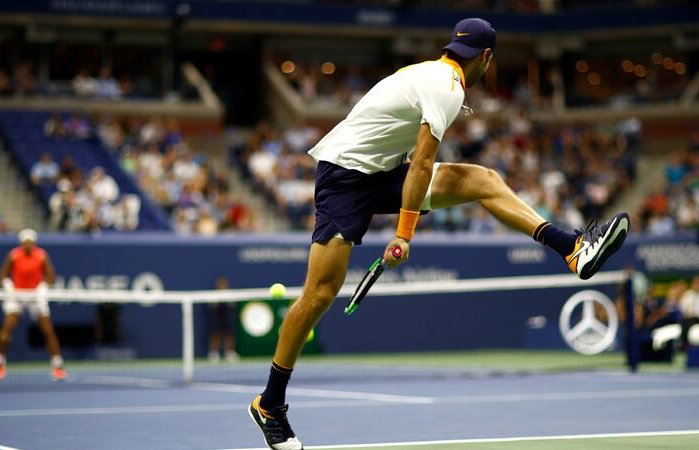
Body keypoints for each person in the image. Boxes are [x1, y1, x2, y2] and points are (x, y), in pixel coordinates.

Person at [248, 18, 630, 450]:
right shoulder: (448, 88)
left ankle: (572, 249)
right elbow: (422, 165)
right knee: (319, 294)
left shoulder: (431, 74)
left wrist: (405, 221)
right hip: (344, 177)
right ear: (486, 58)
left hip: (381, 170)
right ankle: (270, 404)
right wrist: (404, 234)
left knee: (483, 179)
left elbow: (411, 160)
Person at [0, 228, 67, 381]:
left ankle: (57, 366)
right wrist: (9, 288)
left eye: (30, 243)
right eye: (25, 243)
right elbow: (2, 275)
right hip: (17, 295)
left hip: (35, 296)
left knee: (48, 331)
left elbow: (50, 275)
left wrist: (42, 288)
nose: (28, 245)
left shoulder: (41, 255)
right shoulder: (13, 255)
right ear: (21, 243)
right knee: (6, 330)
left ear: (34, 243)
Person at [206, 276, 238, 363]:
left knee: (229, 334)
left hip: (227, 317)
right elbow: (212, 305)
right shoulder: (213, 295)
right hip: (216, 318)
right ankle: (213, 353)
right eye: (220, 284)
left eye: (223, 283)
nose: (222, 285)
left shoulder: (230, 294)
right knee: (215, 334)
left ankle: (230, 352)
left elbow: (233, 305)